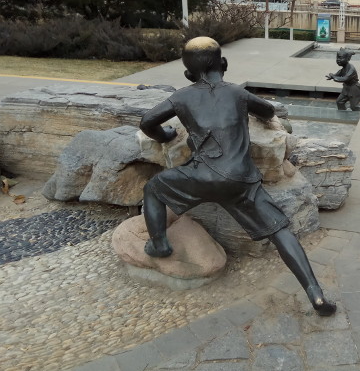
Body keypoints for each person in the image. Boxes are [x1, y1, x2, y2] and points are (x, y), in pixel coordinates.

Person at [139, 37, 336, 316]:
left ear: (187, 74)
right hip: (241, 181)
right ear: (224, 64)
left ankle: (159, 244)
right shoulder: (237, 93)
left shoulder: (181, 97)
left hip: (200, 176)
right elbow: (268, 111)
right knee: (280, 231)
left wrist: (165, 135)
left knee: (153, 188)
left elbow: (147, 122)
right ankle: (315, 293)